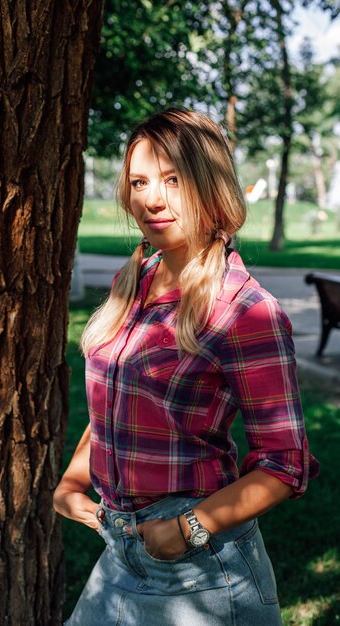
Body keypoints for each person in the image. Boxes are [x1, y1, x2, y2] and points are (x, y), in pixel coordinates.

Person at [54, 107, 319, 626]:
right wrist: (71, 482)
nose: (151, 198)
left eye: (173, 180)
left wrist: (187, 529)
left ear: (210, 187)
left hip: (200, 570)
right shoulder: (134, 281)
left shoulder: (245, 310)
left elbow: (285, 465)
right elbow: (119, 403)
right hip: (119, 552)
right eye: (139, 181)